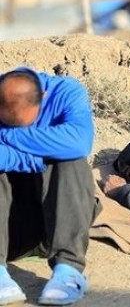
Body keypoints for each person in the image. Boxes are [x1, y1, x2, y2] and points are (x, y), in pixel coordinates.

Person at [0, 67, 101, 306]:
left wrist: (8, 137)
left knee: (70, 159)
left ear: (43, 98)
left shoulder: (66, 92)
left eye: (24, 124)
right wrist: (42, 155)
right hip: (12, 228)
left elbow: (79, 142)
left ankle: (68, 271)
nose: (16, 129)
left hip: (55, 224)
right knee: (58, 152)